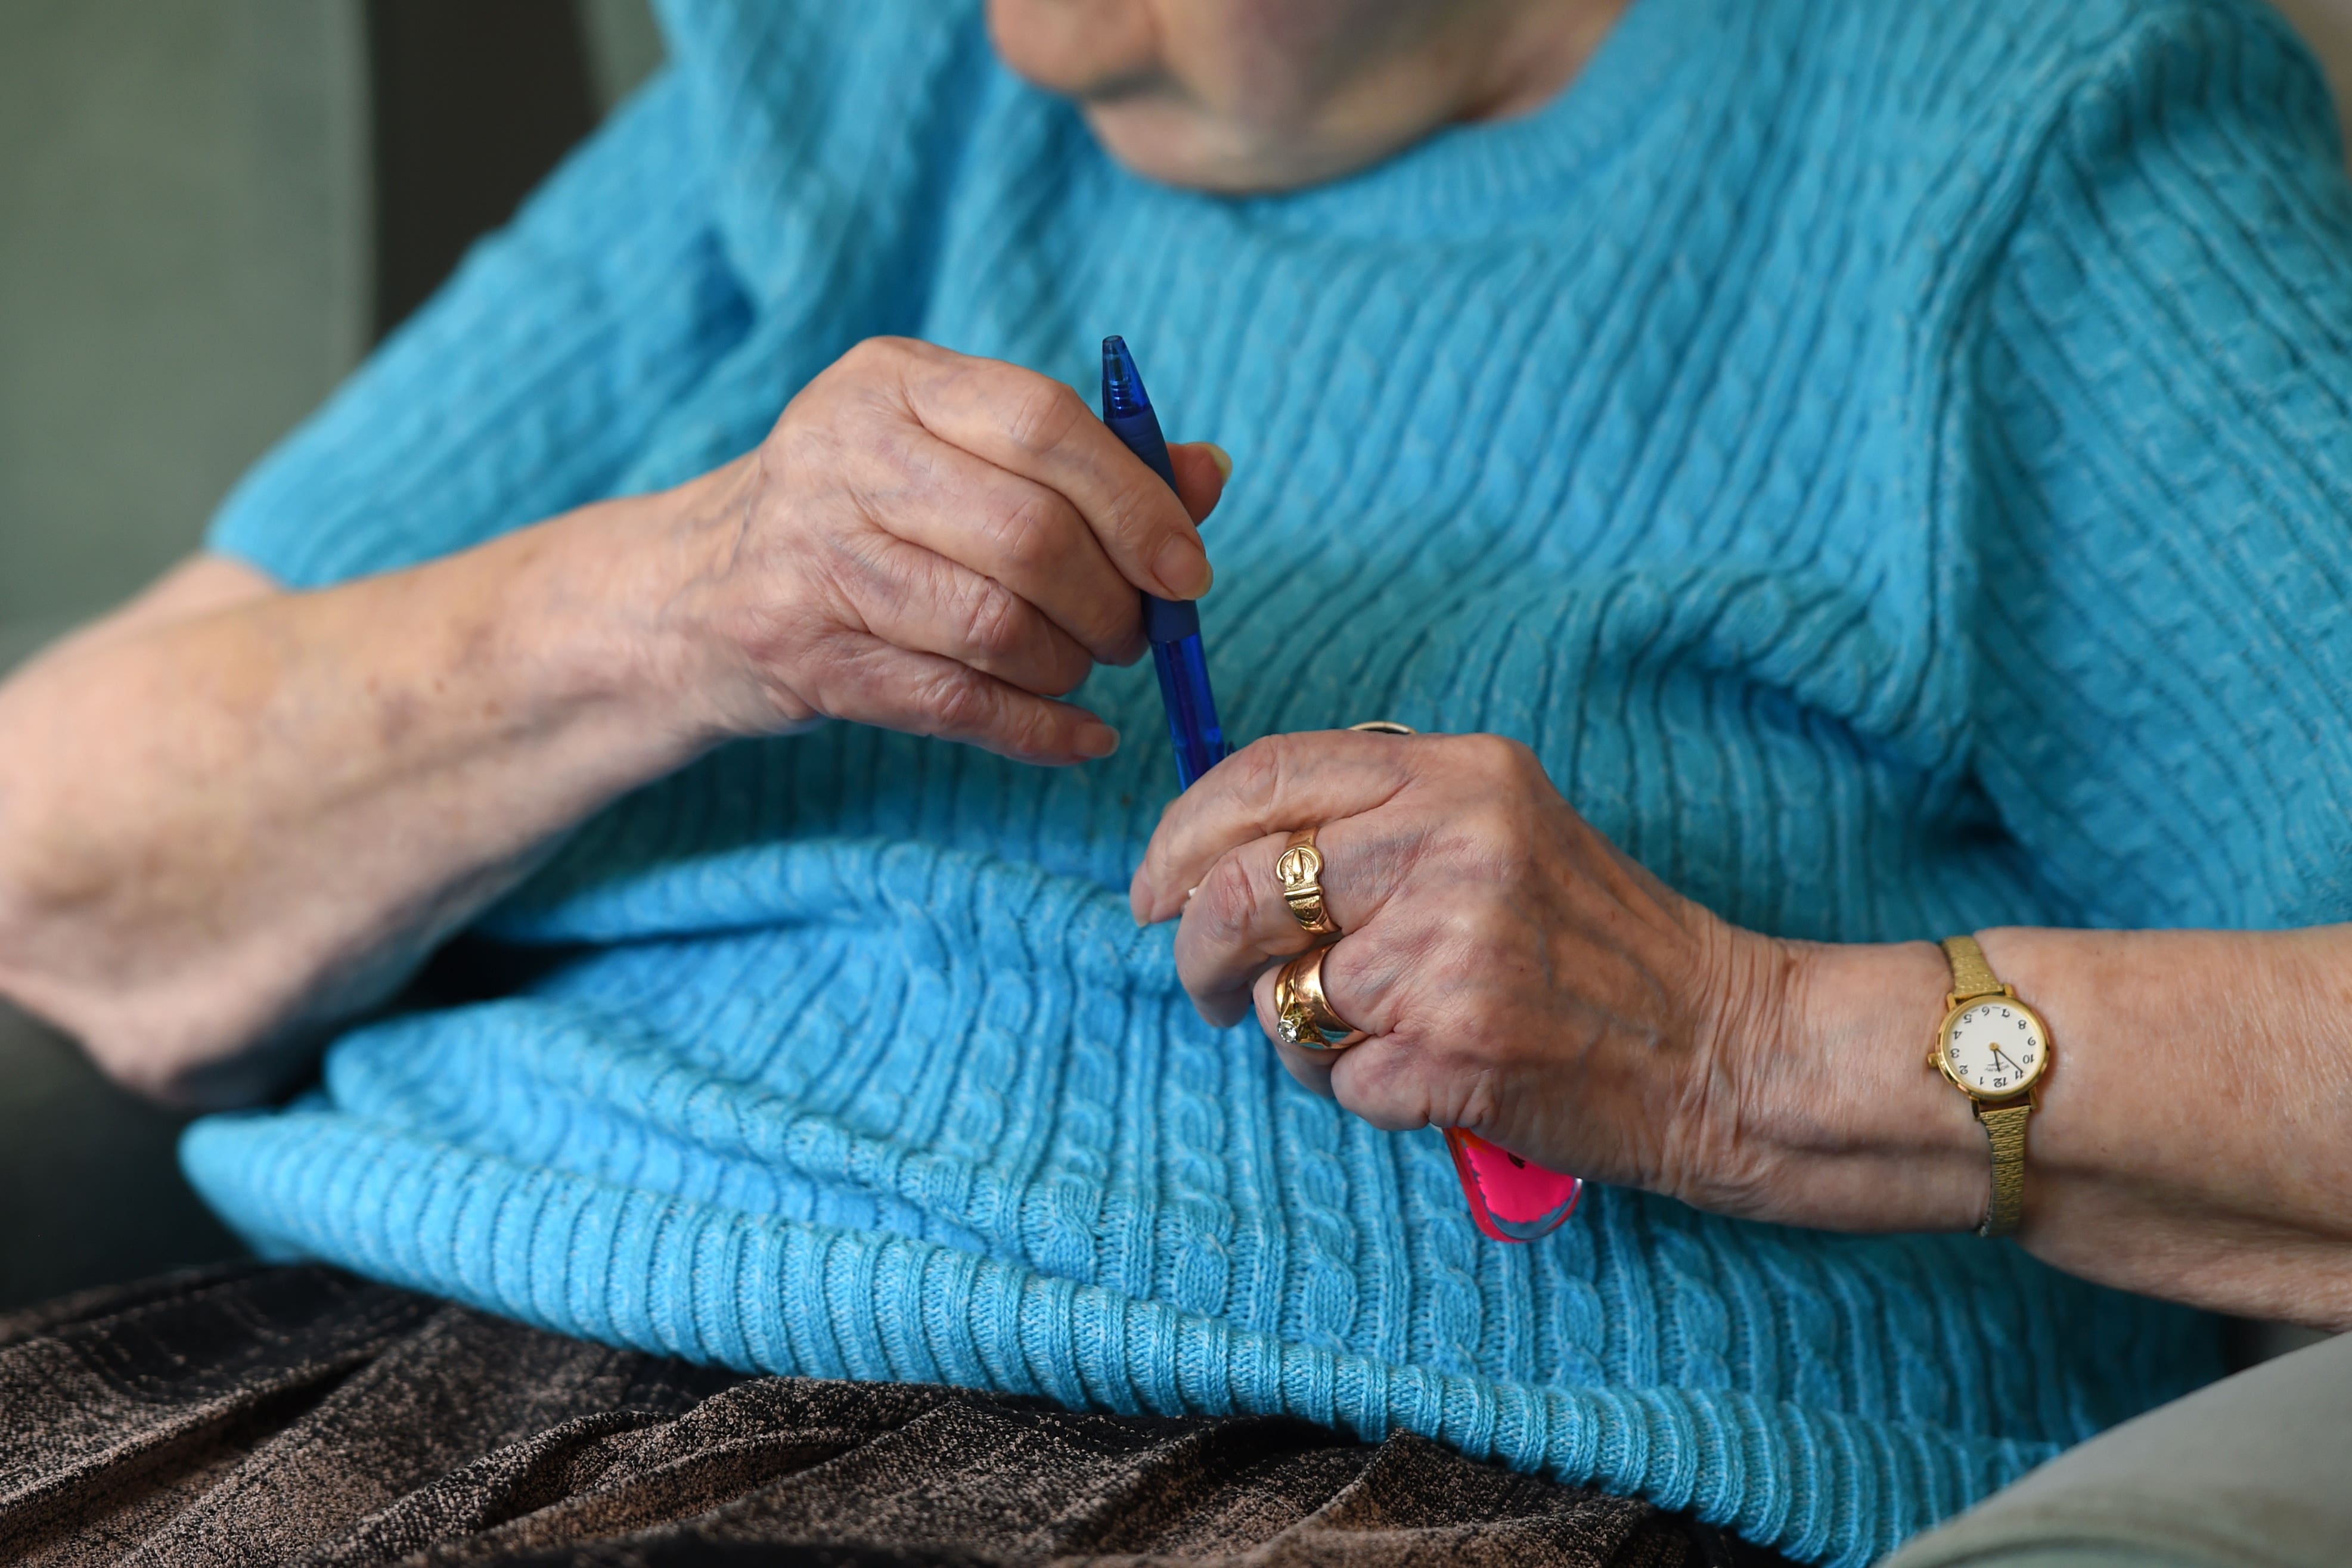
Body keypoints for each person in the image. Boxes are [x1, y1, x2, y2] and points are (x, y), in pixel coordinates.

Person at [1, 0, 2349, 1560]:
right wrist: (682, 596)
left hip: (1362, 1468)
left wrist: (1741, 1045)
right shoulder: (853, 74)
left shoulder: (2023, 139)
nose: (1022, 31)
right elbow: (55, 851)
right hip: (414, 1358)